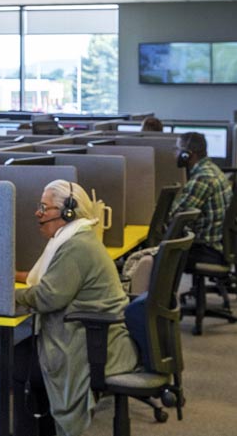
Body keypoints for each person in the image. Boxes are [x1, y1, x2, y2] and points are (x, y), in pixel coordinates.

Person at [13, 180, 138, 436]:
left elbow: (49, 296)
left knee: (15, 362)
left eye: (43, 208)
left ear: (67, 212)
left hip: (90, 343)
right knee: (20, 358)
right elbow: (55, 278)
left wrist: (8, 296)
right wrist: (17, 276)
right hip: (94, 334)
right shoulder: (78, 237)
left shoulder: (76, 247)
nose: (38, 213)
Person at [168, 132, 233, 269]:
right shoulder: (212, 170)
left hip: (208, 249)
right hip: (221, 245)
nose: (175, 154)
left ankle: (161, 290)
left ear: (187, 155)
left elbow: (175, 216)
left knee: (157, 253)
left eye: (177, 150)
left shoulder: (202, 178)